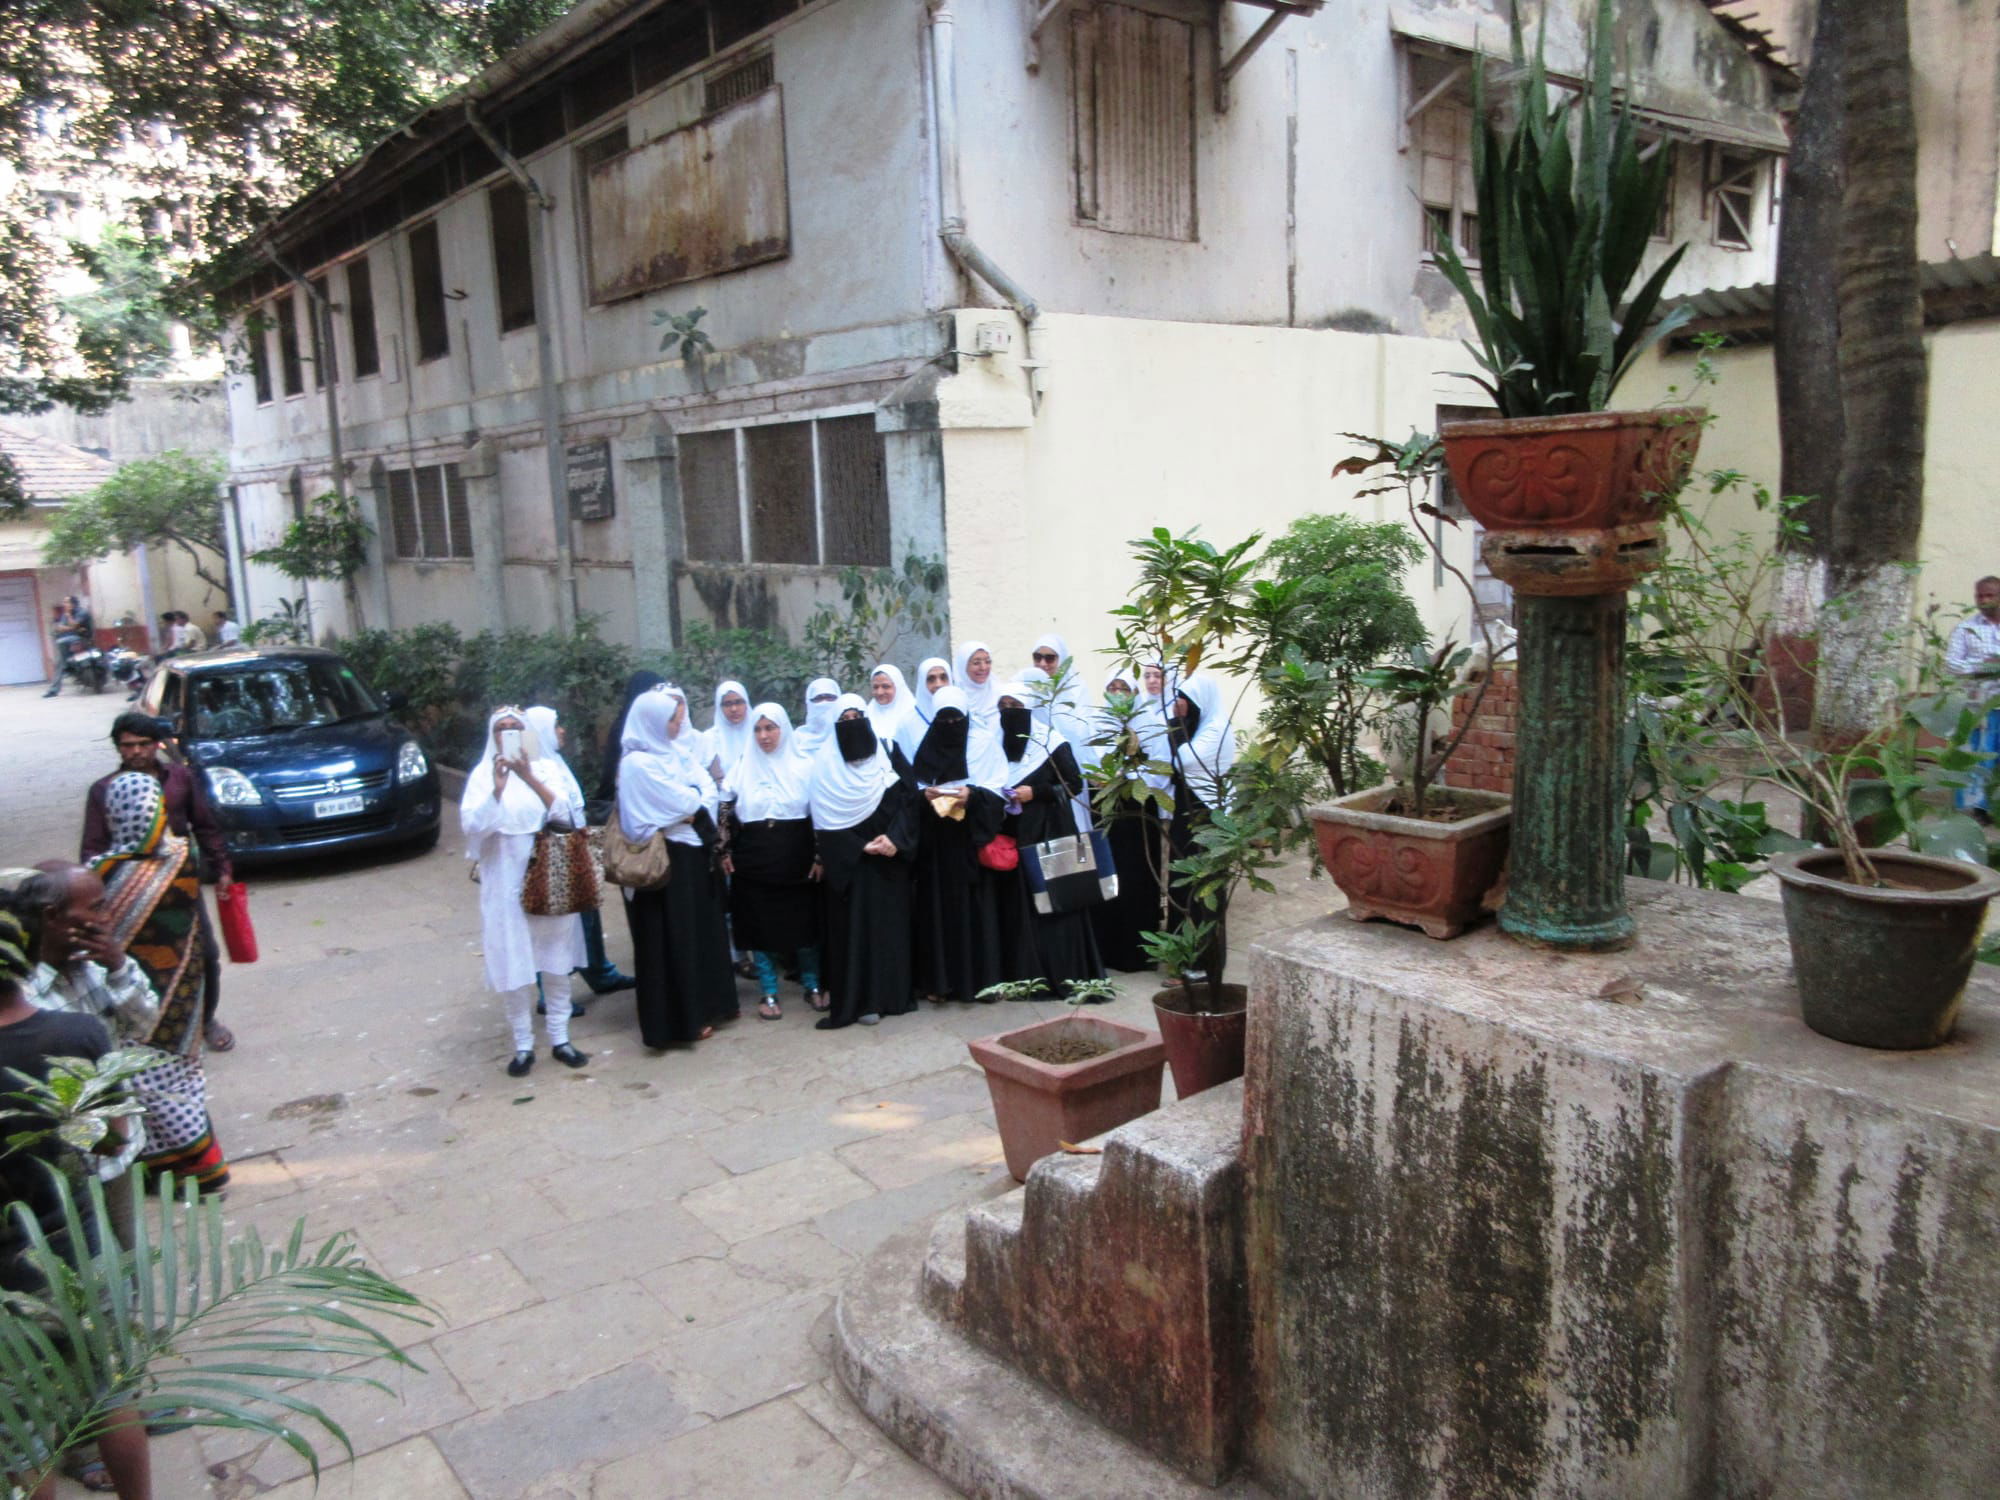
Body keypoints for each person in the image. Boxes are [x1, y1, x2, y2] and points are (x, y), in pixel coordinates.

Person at [0, 908, 155, 1500]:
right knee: (111, 1394)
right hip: (80, 1249)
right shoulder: (77, 1035)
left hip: (8, 1273)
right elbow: (113, 1138)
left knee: (23, 1435)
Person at [88, 770, 228, 1195]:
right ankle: (182, 1164)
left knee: (145, 1080)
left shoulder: (102, 872)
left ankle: (186, 1168)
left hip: (132, 993)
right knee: (180, 1074)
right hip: (186, 987)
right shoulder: (182, 857)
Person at [80, 714, 233, 1052]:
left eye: (143, 744)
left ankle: (205, 1019)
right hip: (129, 892)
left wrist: (222, 869)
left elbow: (205, 826)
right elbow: (92, 848)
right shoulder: (104, 790)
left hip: (179, 886)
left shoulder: (180, 778)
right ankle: (146, 1028)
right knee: (141, 961)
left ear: (157, 745)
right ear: (118, 747)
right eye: (127, 745)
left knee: (204, 955)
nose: (136, 752)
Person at [460, 709, 588, 1077]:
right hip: (504, 879)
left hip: (548, 873)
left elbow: (566, 816)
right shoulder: (483, 775)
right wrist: (498, 790)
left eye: (516, 728)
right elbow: (472, 826)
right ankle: (522, 1044)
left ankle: (560, 1037)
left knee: (556, 956)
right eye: (502, 729)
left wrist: (527, 775)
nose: (509, 733)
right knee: (512, 960)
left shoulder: (547, 769)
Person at [618, 685, 739, 1047]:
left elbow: (705, 790)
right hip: (664, 864)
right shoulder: (637, 764)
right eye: (671, 720)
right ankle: (682, 1022)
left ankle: (710, 1006)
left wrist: (693, 803)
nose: (677, 725)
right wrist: (693, 803)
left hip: (690, 853)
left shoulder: (672, 751)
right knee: (671, 942)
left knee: (699, 934)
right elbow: (683, 801)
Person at [808, 696, 919, 1030]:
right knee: (855, 935)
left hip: (889, 861)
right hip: (853, 868)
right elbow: (824, 823)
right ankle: (863, 1001)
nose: (853, 724)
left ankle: (894, 997)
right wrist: (859, 846)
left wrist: (895, 840)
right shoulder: (824, 767)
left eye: (858, 716)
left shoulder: (888, 752)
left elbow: (910, 799)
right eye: (845, 719)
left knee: (890, 931)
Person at [995, 682, 1104, 986]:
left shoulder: (1051, 741)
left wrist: (1036, 792)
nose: (1008, 713)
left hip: (1051, 832)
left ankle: (1064, 975)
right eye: (1002, 707)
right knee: (1023, 908)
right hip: (1015, 836)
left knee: (1057, 907)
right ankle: (1027, 977)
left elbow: (1073, 783)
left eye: (1014, 707)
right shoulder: (997, 742)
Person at [522, 705, 630, 1009]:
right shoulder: (533, 770)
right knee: (556, 923)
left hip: (576, 847)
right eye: (556, 725)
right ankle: (550, 994)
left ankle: (600, 972)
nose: (562, 730)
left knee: (588, 914)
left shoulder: (553, 762)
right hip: (554, 853)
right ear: (542, 731)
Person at [908, 686, 1011, 1004]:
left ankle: (980, 983)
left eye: (957, 719)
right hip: (937, 850)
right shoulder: (926, 749)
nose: (951, 725)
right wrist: (925, 797)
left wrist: (973, 795)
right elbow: (913, 791)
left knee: (975, 914)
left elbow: (997, 790)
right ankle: (941, 983)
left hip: (970, 845)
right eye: (944, 719)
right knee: (938, 915)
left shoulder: (983, 744)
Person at [722, 703, 823, 1018]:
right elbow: (725, 807)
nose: (764, 736)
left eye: (770, 728)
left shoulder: (805, 765)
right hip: (753, 857)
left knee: (805, 923)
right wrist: (723, 851)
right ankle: (768, 992)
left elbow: (820, 814)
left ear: (783, 729)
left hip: (797, 853)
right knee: (759, 925)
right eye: (758, 729)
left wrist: (820, 855)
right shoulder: (743, 765)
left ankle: (813, 984)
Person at [1088, 667, 1169, 972]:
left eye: (1125, 688)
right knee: (1107, 878)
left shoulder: (1149, 724)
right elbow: (1088, 761)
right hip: (1106, 810)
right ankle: (1106, 950)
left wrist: (1127, 778)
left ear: (1136, 693)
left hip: (1137, 811)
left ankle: (1135, 954)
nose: (1119, 694)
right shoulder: (1098, 723)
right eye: (1113, 688)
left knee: (1135, 879)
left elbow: (1159, 768)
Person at [1165, 673, 1237, 981]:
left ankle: (1205, 964)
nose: (1177, 704)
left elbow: (1184, 760)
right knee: (1182, 886)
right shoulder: (1195, 727)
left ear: (1198, 702)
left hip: (1207, 816)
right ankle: (1182, 959)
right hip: (1185, 812)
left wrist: (1174, 732)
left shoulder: (1216, 729)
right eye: (1177, 697)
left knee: (1204, 892)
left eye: (1183, 698)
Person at [1947, 575, 2000, 820]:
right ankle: (1981, 808)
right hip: (1980, 706)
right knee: (1980, 753)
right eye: (1980, 595)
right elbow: (1953, 665)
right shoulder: (1966, 628)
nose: (1984, 600)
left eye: (1990, 595)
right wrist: (1984, 665)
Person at [864, 664, 923, 760]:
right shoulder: (867, 715)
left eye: (886, 686)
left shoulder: (914, 715)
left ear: (898, 686)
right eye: (875, 687)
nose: (880, 692)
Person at [701, 680, 753, 786]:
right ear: (719, 707)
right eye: (727, 704)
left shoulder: (760, 734)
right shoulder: (709, 739)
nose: (734, 709)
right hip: (725, 800)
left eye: (738, 702)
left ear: (746, 703)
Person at [43, 595, 93, 697]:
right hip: (69, 643)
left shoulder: (82, 612)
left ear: (73, 604)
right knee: (59, 662)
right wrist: (70, 627)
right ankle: (54, 690)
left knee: (62, 642)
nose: (64, 604)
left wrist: (70, 618)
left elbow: (74, 625)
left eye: (66, 602)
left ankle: (66, 664)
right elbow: (59, 627)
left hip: (83, 640)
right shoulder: (65, 615)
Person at [953, 641, 999, 730]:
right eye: (976, 663)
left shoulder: (1000, 694)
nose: (983, 667)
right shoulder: (954, 697)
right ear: (963, 665)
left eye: (988, 661)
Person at [794, 677, 842, 757]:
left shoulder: (848, 736)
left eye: (830, 697)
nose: (824, 702)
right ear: (809, 703)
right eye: (818, 698)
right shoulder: (797, 739)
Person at [912, 656, 953, 734]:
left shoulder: (962, 716)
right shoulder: (908, 722)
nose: (938, 684)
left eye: (943, 677)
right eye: (931, 679)